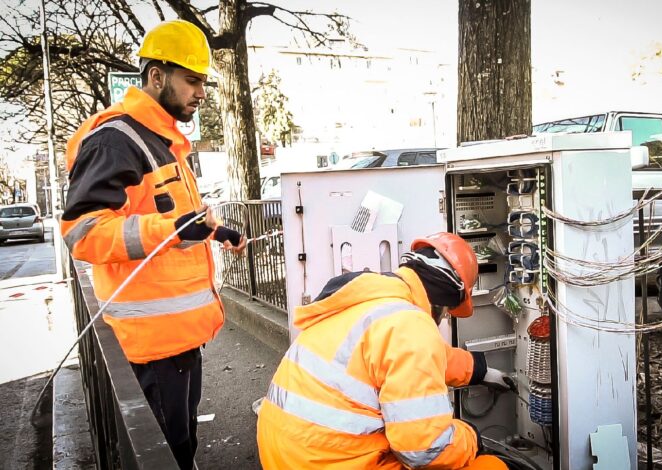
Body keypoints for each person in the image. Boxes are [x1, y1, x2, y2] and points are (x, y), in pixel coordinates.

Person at [61, 19, 246, 469]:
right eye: (192, 80)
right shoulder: (117, 140)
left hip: (179, 339)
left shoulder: (165, 142)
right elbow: (82, 233)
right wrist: (170, 231)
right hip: (152, 345)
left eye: (204, 82)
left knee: (182, 448)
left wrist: (216, 230)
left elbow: (169, 216)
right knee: (166, 454)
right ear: (156, 76)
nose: (201, 93)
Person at [257, 232, 508, 469]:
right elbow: (425, 450)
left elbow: (415, 359)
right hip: (327, 461)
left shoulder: (372, 302)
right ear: (441, 301)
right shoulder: (411, 326)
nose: (442, 320)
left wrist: (480, 371)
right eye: (446, 313)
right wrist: (472, 438)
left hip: (284, 451)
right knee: (491, 466)